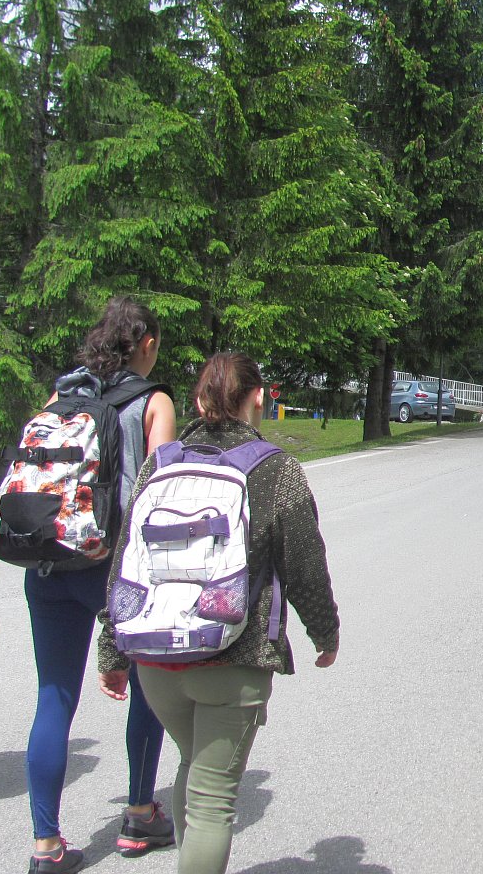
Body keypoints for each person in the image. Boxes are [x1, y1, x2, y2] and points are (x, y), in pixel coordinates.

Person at [98, 352, 339, 874]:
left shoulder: (160, 464)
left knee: (194, 767)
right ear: (259, 397)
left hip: (157, 661)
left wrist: (111, 650)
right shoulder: (276, 469)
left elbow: (126, 561)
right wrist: (326, 632)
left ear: (198, 400)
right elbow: (304, 563)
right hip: (234, 659)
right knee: (212, 801)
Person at [24, 298, 177, 873]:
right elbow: (161, 495)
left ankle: (46, 846)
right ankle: (139, 814)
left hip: (50, 563)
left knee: (53, 698)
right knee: (146, 687)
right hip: (115, 568)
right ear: (146, 344)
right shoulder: (153, 401)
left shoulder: (59, 397)